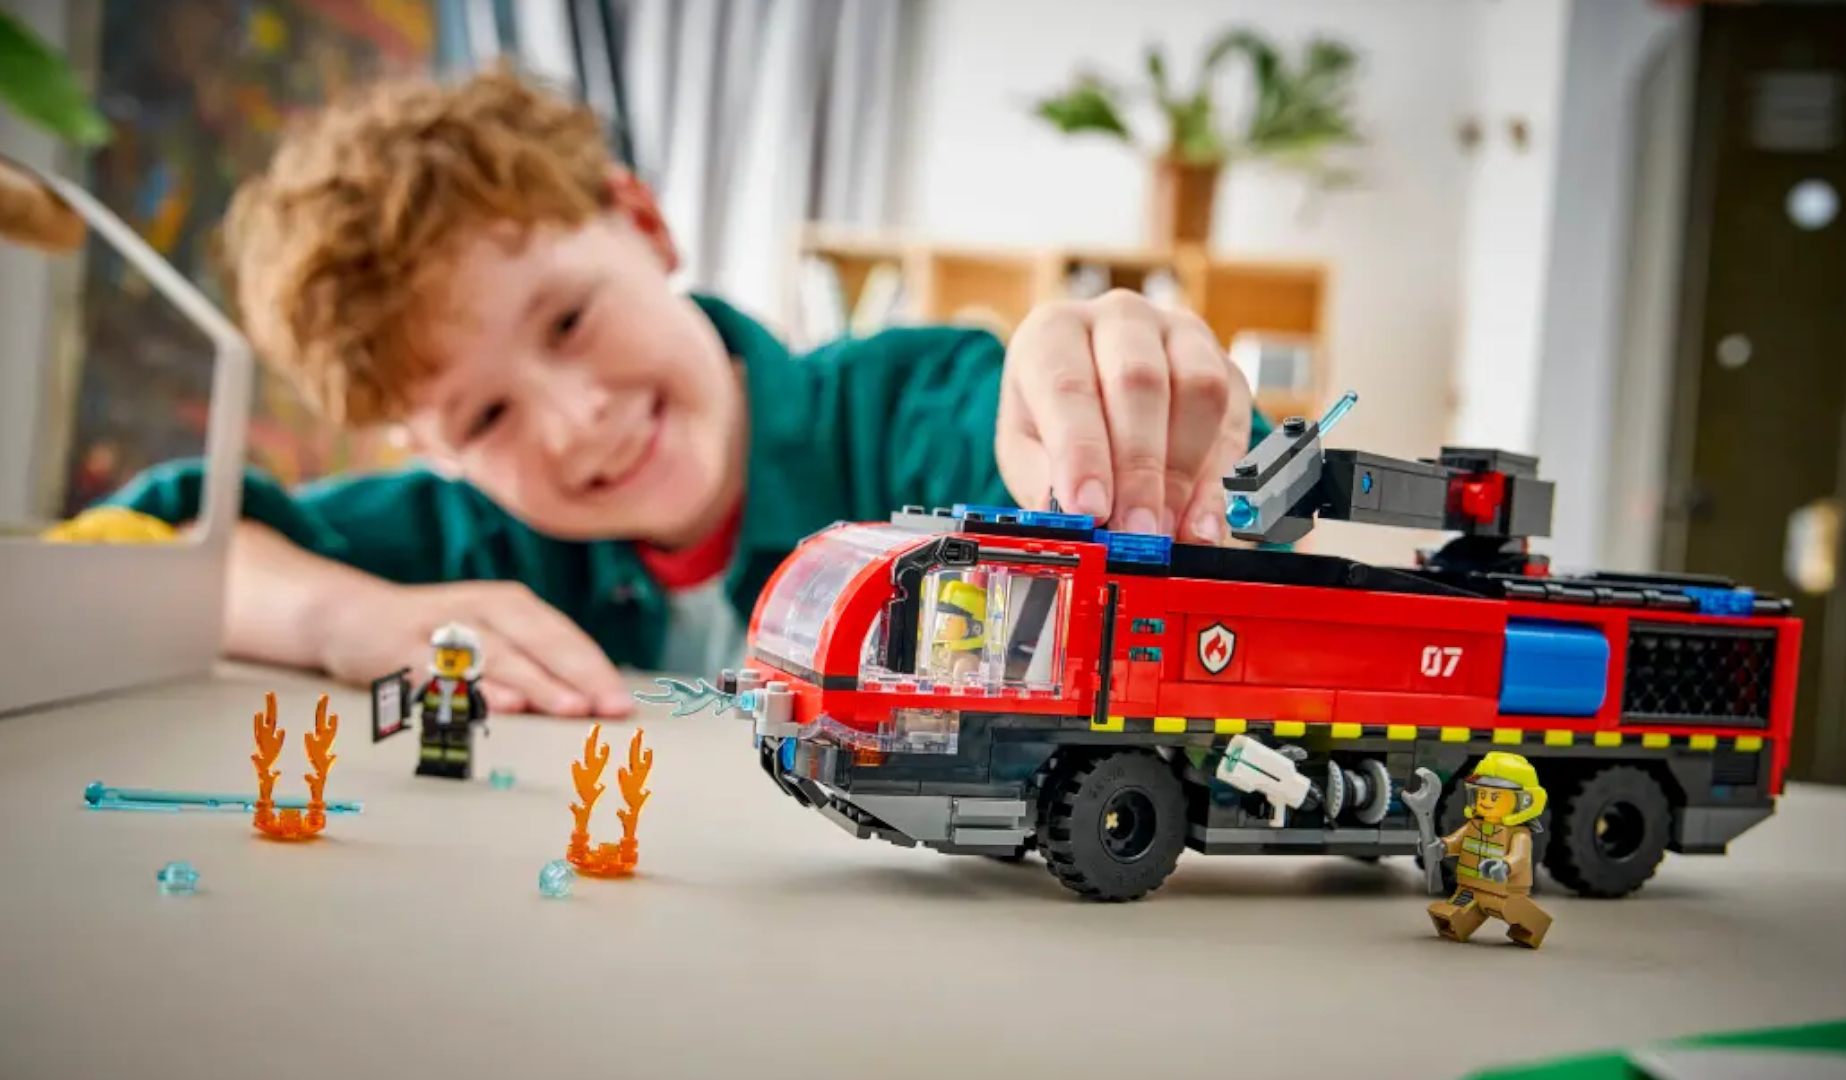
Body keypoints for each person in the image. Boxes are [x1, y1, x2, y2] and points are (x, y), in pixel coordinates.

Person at [88, 64, 1267, 719]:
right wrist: (345, 618)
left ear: (645, 225)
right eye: (485, 418)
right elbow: (145, 540)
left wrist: (1117, 410)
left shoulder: (904, 409)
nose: (574, 420)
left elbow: (1030, 437)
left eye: (568, 320)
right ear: (427, 445)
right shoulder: (470, 544)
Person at [1427, 752, 1553, 949]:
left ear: (1524, 801)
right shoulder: (1473, 826)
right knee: (1453, 913)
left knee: (1515, 912)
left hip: (1505, 892)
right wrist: (1441, 847)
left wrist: (1504, 866)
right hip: (1471, 887)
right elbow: (1456, 842)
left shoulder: (1519, 834)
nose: (1485, 801)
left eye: (1495, 797)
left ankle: (1535, 927)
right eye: (1482, 794)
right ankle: (1454, 927)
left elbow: (1519, 858)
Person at [410, 622, 490, 779]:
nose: (450, 659)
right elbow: (415, 698)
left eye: (458, 655)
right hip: (432, 723)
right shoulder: (431, 686)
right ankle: (429, 765)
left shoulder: (467, 689)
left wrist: (479, 717)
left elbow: (478, 706)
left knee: (456, 749)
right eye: (445, 654)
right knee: (430, 745)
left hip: (458, 725)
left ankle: (455, 768)